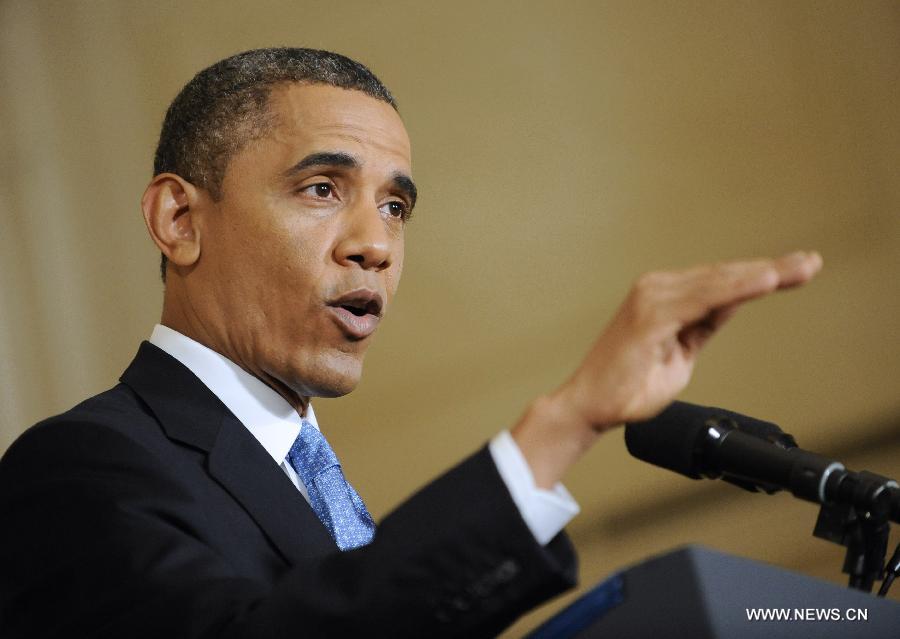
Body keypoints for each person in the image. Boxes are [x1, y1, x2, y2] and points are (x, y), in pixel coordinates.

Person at [0, 48, 822, 638]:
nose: (377, 245)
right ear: (179, 220)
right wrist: (566, 421)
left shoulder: (304, 475)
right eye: (322, 188)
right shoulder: (79, 468)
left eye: (396, 207)